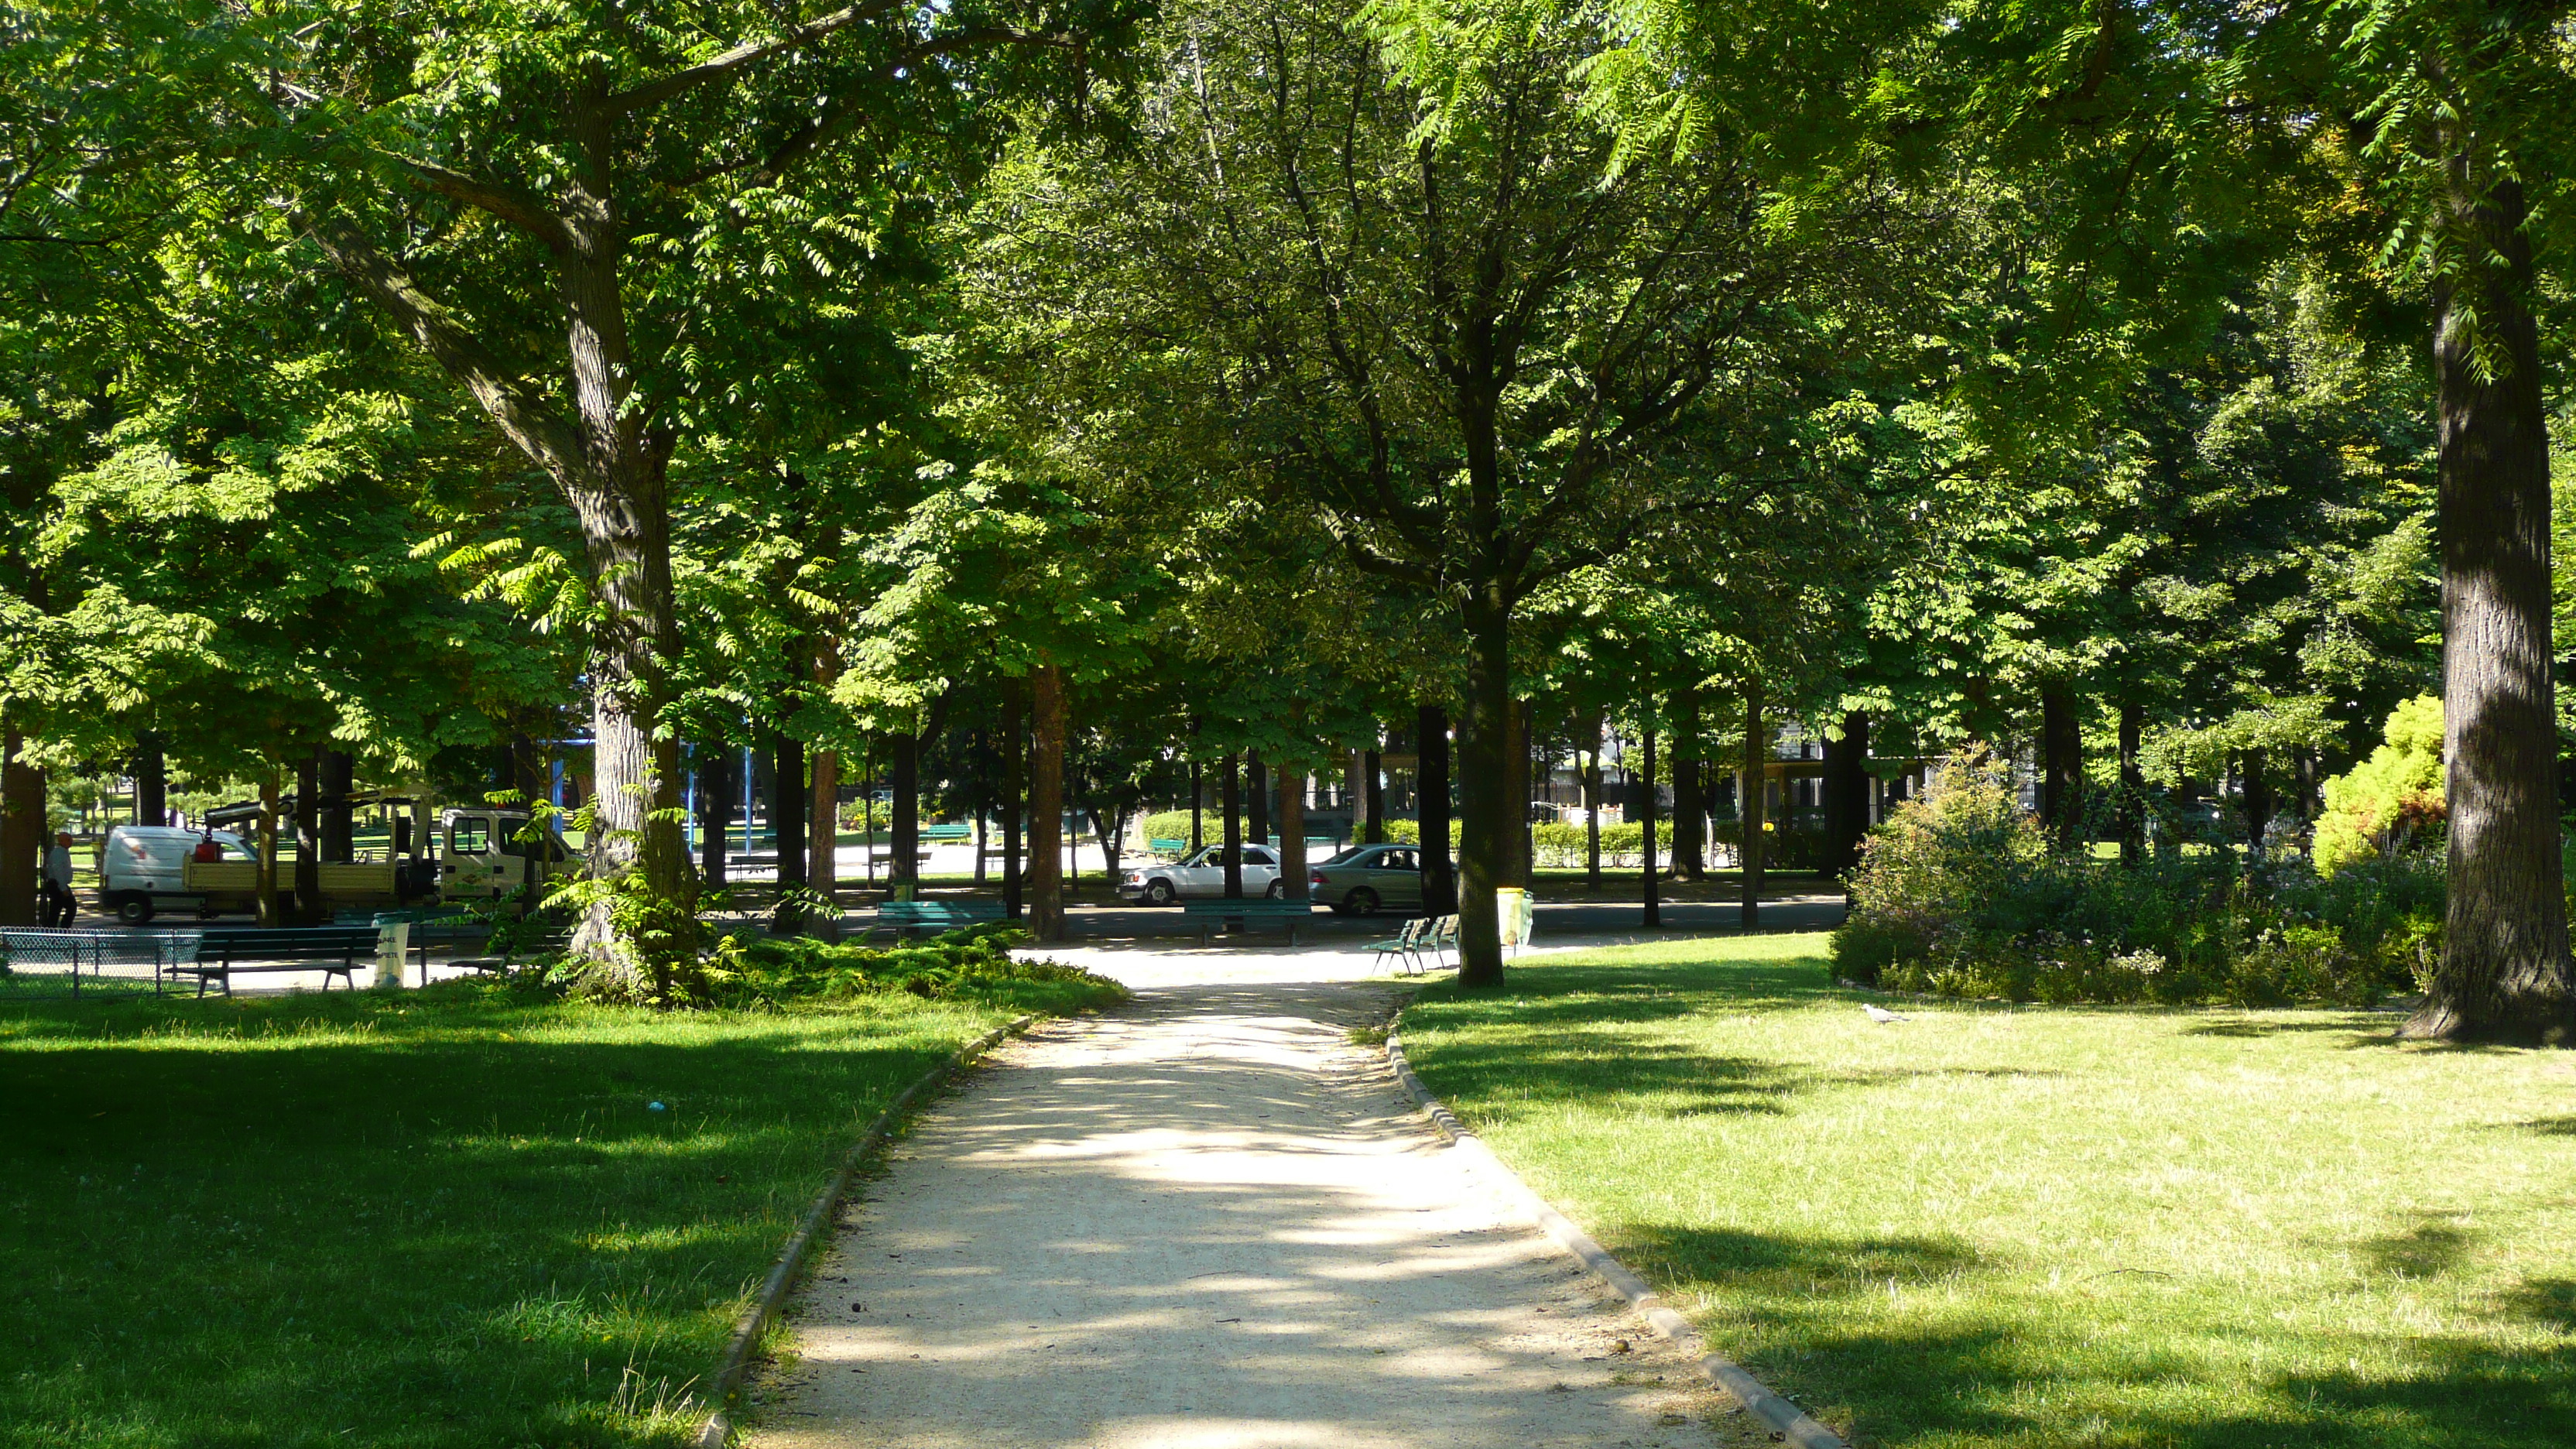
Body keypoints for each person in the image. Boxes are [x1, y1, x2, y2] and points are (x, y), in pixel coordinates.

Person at [39, 831, 76, 927]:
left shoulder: (63, 852)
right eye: (68, 840)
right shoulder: (58, 854)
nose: (71, 841)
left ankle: (56, 931)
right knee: (70, 908)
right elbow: (58, 871)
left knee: (56, 910)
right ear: (61, 841)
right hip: (57, 885)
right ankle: (61, 930)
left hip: (59, 884)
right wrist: (63, 888)